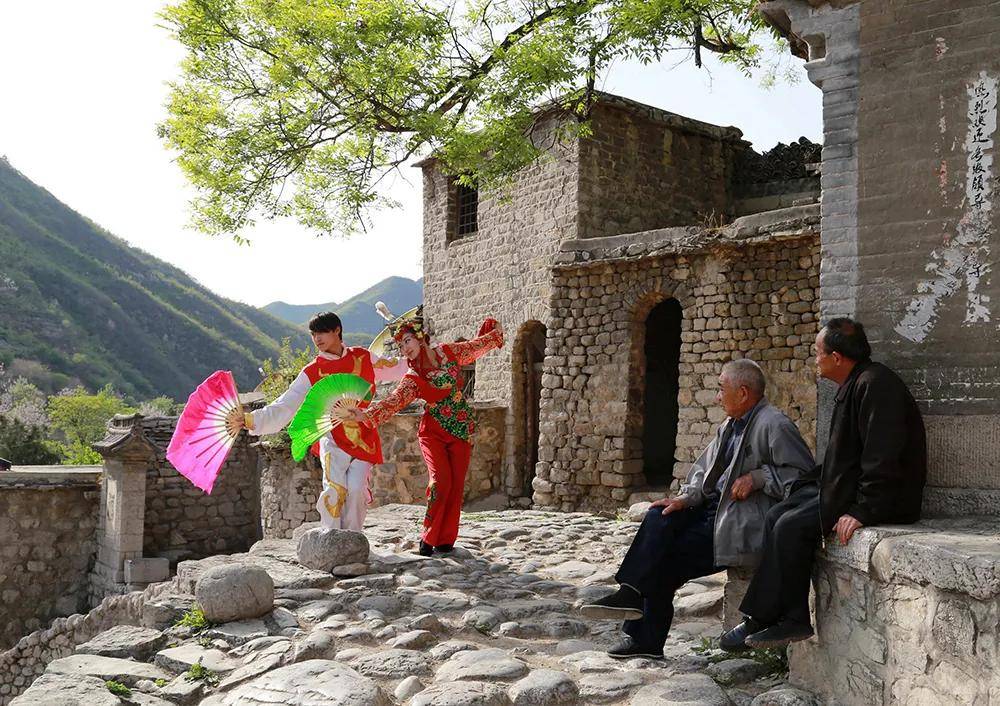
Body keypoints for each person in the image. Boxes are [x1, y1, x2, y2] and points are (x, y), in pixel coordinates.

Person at [580, 359, 815, 659]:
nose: (717, 397)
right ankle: (631, 593)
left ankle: (644, 637)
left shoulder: (774, 424)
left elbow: (803, 478)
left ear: (743, 393)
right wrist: (683, 498)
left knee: (662, 559)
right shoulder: (729, 426)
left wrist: (758, 478)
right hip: (710, 513)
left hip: (736, 523)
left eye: (721, 389)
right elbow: (704, 475)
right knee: (658, 516)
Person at [721, 318, 927, 651]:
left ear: (836, 357)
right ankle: (762, 617)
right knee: (778, 514)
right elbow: (844, 458)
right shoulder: (856, 384)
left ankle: (792, 620)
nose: (815, 360)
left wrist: (864, 510)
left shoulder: (876, 386)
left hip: (884, 499)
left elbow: (884, 456)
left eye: (818, 353)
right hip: (847, 489)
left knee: (790, 526)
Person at [338, 311, 503, 556]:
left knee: (456, 485)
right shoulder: (413, 378)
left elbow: (474, 347)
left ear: (420, 338)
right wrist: (364, 414)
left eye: (407, 342)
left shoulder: (448, 353)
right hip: (433, 433)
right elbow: (394, 401)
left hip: (461, 428)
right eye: (400, 345)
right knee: (440, 483)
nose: (405, 349)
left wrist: (494, 332)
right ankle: (428, 538)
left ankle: (446, 540)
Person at [227, 311, 408, 531]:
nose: (317, 338)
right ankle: (332, 537)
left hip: (364, 436)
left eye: (322, 332)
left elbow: (397, 368)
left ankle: (354, 540)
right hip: (331, 437)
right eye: (313, 334)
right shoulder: (313, 371)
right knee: (334, 488)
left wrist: (426, 356)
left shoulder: (363, 357)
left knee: (357, 488)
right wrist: (250, 419)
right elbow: (286, 404)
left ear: (337, 331)